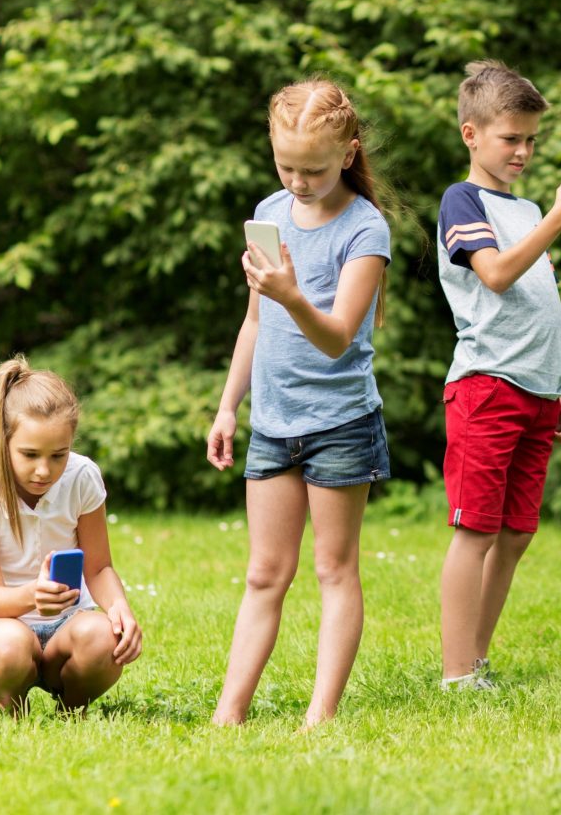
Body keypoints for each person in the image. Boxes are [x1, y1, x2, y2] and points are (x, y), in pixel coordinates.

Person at [206, 78, 394, 728]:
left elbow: (340, 337)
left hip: (341, 424)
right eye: (286, 165)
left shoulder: (365, 230)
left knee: (333, 568)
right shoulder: (270, 214)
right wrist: (229, 406)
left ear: (347, 153)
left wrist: (290, 293)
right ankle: (229, 712)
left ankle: (320, 715)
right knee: (265, 573)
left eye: (312, 169)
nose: (297, 182)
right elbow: (254, 322)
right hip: (273, 422)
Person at [435, 60, 561, 689]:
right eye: (512, 138)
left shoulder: (528, 206)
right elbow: (497, 275)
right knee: (474, 530)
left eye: (531, 139)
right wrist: (559, 218)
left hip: (534, 389)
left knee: (516, 532)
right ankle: (456, 674)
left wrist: (558, 384)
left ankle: (476, 659)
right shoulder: (463, 199)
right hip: (487, 385)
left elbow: (540, 300)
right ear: (471, 134)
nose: (524, 151)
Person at [0, 356, 142, 713]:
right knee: (9, 648)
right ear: (1, 441)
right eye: (29, 454)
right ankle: (15, 706)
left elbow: (99, 568)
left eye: (59, 455)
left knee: (104, 638)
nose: (44, 470)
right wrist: (34, 596)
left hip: (68, 624)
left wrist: (120, 610)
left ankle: (70, 709)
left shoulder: (82, 477)